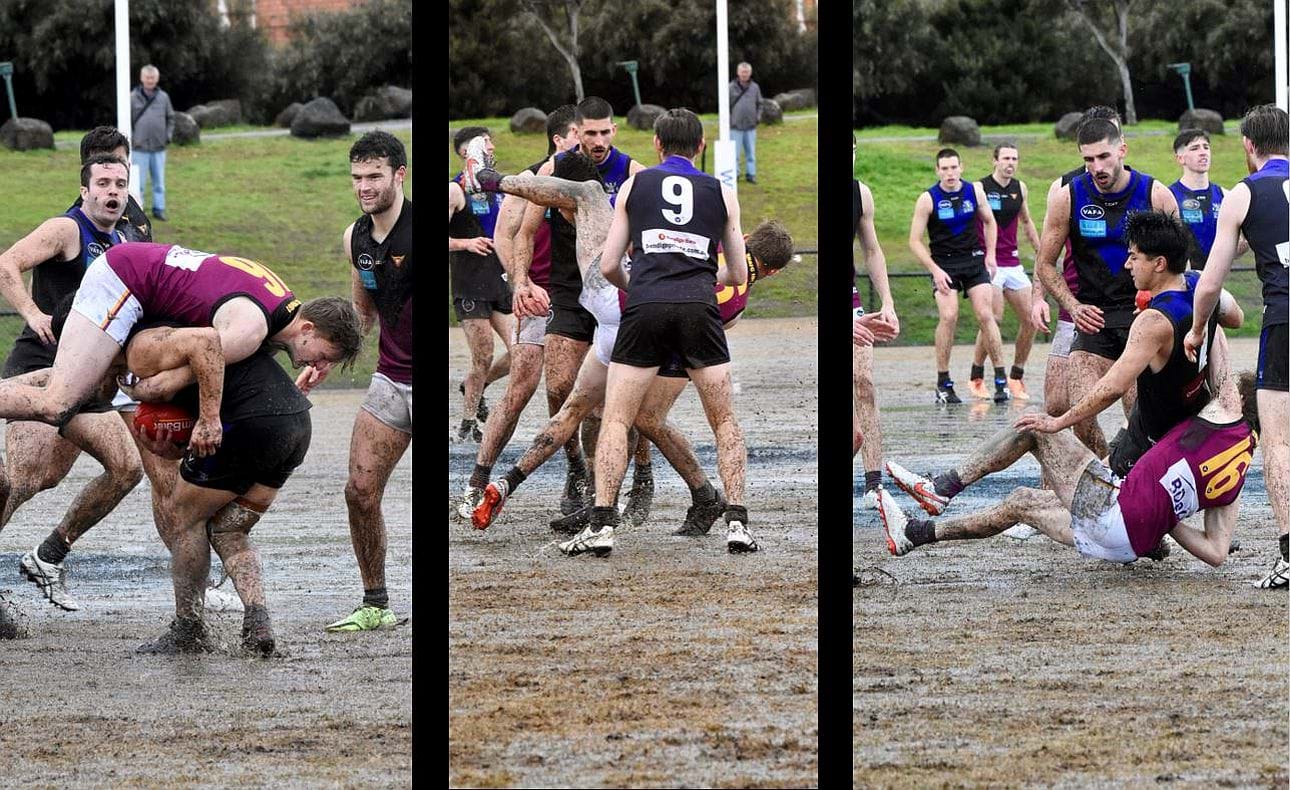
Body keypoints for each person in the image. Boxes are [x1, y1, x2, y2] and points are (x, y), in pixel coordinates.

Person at [467, 153, 795, 539]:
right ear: (772, 271)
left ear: (747, 239)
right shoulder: (738, 302)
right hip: (668, 330)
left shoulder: (710, 236)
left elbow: (633, 259)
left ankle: (492, 179)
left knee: (588, 194)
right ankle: (704, 497)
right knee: (646, 418)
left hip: (624, 306)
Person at [571, 108, 753, 556]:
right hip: (698, 306)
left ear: (656, 144)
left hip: (647, 304)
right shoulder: (722, 192)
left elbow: (610, 264)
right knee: (724, 420)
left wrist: (646, 286)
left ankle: (601, 524)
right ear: (701, 146)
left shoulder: (635, 184)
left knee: (616, 418)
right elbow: (735, 269)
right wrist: (702, 279)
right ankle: (738, 523)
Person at [879, 367, 1258, 569]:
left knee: (1036, 428)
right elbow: (1216, 552)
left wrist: (1209, 298)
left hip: (1113, 509)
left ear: (1237, 402)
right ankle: (915, 533)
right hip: (1124, 543)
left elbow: (1218, 353)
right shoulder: (1238, 470)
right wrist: (1168, 519)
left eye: (1227, 388)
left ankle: (942, 487)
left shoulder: (1224, 416)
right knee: (1022, 501)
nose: (1219, 388)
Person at [0, 241, 362, 433]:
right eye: (324, 354)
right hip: (124, 279)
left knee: (87, 383)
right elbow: (161, 387)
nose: (320, 363)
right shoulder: (248, 331)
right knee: (58, 404)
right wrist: (201, 421)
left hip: (136, 274)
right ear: (309, 328)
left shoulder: (280, 301)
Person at [116, 325, 314, 656]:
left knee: (183, 517)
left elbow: (208, 424)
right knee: (229, 528)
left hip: (249, 425)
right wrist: (173, 443)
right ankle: (257, 618)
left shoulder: (153, 351)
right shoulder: (199, 330)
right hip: (295, 424)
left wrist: (141, 397)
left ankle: (189, 629)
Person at [0, 154, 143, 611]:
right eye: (103, 183)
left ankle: (49, 554)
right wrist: (33, 313)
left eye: (120, 183)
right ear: (85, 191)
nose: (113, 192)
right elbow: (7, 265)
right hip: (39, 372)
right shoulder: (67, 229)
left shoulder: (122, 241)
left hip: (87, 382)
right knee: (24, 481)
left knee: (125, 468)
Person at [1009, 212, 1242, 479]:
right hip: (1186, 421)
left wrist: (1058, 422)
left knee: (1068, 485)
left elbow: (1113, 388)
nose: (1127, 265)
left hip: (1152, 441)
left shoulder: (1152, 322)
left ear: (1159, 264)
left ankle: (953, 486)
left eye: (1134, 257)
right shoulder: (1201, 283)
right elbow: (1236, 318)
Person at [297, 132, 413, 633]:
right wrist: (326, 359)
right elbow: (361, 319)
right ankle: (376, 603)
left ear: (399, 176)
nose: (364, 187)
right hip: (390, 380)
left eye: (374, 177)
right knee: (359, 491)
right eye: (357, 178)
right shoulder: (355, 239)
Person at [511, 97, 645, 515]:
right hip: (568, 289)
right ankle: (575, 472)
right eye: (591, 133)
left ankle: (640, 471)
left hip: (618, 289)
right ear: (576, 132)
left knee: (621, 401)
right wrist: (521, 281)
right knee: (558, 385)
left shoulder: (632, 172)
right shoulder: (555, 170)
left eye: (606, 132)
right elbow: (525, 232)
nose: (600, 140)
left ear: (614, 131)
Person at [1184, 104, 1290, 589]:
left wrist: (1196, 328)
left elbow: (1209, 284)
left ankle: (1289, 556)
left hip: (1285, 320)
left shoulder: (1244, 194)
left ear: (1250, 147)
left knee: (1279, 440)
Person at [456, 106, 579, 519]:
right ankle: (477, 479)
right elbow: (503, 235)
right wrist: (521, 283)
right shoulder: (527, 181)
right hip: (538, 298)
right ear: (558, 139)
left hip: (587, 301)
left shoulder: (600, 180)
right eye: (579, 135)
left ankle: (581, 472)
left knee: (571, 393)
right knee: (521, 386)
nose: (592, 144)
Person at [1032, 117, 1179, 456]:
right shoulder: (1069, 196)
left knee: (1142, 415)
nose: (1096, 167)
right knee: (1079, 411)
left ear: (1122, 150)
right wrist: (1072, 306)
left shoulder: (1154, 193)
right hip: (1092, 317)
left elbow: (1178, 263)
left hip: (1142, 318)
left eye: (1103, 157)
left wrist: (1163, 308)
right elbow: (1044, 263)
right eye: (1088, 159)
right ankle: (1107, 471)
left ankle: (1144, 484)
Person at [1032, 105, 1120, 457]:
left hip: (1125, 309)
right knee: (1055, 404)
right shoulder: (1065, 187)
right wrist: (1039, 297)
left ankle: (1120, 467)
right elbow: (1046, 254)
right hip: (1076, 305)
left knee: (1136, 402)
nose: (1100, 163)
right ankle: (1065, 475)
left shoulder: (1142, 188)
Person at [908, 148, 1007, 404]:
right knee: (949, 315)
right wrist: (935, 270)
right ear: (937, 170)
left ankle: (1001, 380)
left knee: (986, 314)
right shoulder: (928, 199)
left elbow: (990, 222)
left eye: (954, 167)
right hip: (944, 264)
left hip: (974, 260)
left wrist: (991, 254)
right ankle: (943, 383)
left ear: (961, 167)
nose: (950, 173)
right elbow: (915, 241)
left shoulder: (974, 191)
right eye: (945, 168)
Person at [449, 127, 513, 443]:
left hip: (500, 281)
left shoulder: (497, 188)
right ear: (466, 152)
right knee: (483, 355)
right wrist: (465, 244)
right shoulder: (455, 191)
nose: (491, 147)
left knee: (523, 352)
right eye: (484, 143)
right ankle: (467, 421)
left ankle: (477, 385)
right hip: (469, 284)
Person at [967, 143, 1041, 400]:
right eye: (1006, 158)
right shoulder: (979, 188)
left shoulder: (1020, 188)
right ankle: (976, 375)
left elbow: (1027, 221)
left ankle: (1016, 376)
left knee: (1033, 317)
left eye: (1015, 159)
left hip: (1012, 263)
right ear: (995, 160)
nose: (1010, 163)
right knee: (993, 318)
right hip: (988, 263)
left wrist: (1042, 251)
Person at [852, 135, 901, 509]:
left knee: (864, 381)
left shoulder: (861, 193)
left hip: (853, 299)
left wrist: (887, 301)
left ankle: (873, 482)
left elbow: (872, 250)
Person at [73, 126, 152, 242]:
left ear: (128, 167)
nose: (113, 171)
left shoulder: (133, 202)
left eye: (119, 161)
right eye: (102, 162)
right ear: (85, 171)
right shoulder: (74, 227)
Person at [130, 65, 174, 222]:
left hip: (158, 148)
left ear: (157, 79)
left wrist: (167, 137)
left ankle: (159, 209)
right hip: (139, 148)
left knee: (159, 183)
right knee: (138, 183)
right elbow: (127, 120)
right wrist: (132, 139)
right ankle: (137, 211)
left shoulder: (163, 97)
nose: (150, 80)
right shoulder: (133, 97)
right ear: (142, 78)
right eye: (147, 77)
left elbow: (171, 118)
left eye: (152, 77)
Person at [730, 62, 763, 184]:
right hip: (735, 126)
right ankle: (735, 174)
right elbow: (725, 105)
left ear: (750, 73)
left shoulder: (755, 87)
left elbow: (760, 104)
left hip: (750, 126)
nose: (744, 74)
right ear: (738, 72)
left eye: (747, 72)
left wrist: (757, 117)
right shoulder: (731, 87)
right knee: (735, 154)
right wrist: (729, 120)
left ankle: (751, 174)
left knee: (751, 154)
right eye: (742, 72)